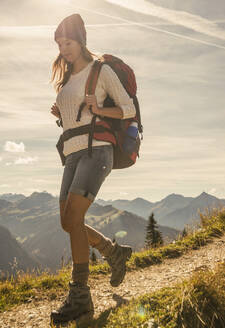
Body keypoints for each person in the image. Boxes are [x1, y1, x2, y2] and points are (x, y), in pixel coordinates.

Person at [49, 13, 136, 325]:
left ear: (81, 40)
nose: (63, 48)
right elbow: (76, 116)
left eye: (68, 42)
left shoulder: (101, 70)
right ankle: (113, 252)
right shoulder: (68, 76)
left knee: (73, 219)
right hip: (72, 154)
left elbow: (127, 107)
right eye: (59, 43)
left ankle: (80, 297)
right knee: (67, 222)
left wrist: (99, 108)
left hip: (96, 152)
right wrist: (63, 112)